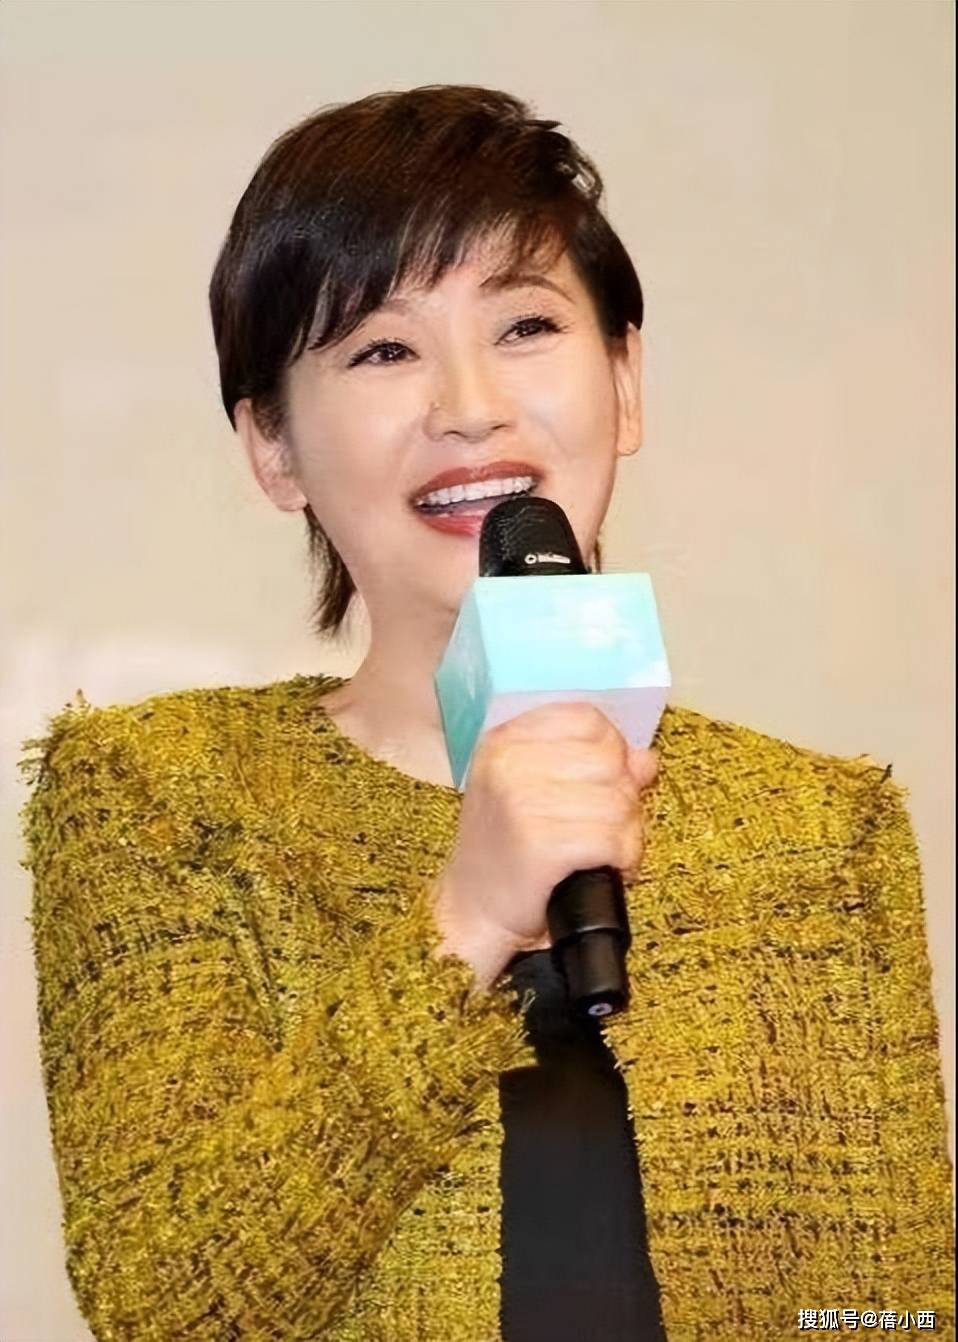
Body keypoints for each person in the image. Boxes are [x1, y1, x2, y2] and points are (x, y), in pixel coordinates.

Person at [19, 85, 954, 1342]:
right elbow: (170, 1308)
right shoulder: (161, 798)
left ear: (624, 380)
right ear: (273, 447)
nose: (469, 404)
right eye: (382, 349)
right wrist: (459, 922)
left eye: (524, 325)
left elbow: (891, 1312)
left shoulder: (820, 831)